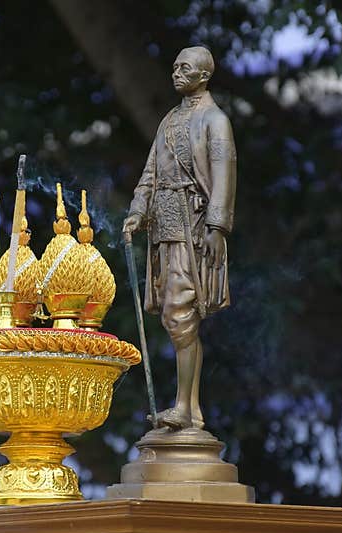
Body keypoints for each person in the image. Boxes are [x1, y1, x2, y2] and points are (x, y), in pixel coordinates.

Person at [122, 45, 237, 431]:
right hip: (164, 228)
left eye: (183, 68)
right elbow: (151, 172)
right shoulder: (169, 120)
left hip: (195, 228)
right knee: (174, 316)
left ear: (203, 76)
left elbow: (224, 176)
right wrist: (138, 210)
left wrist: (218, 227)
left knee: (180, 315)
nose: (175, 73)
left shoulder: (215, 120)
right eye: (173, 67)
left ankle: (187, 409)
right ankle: (188, 408)